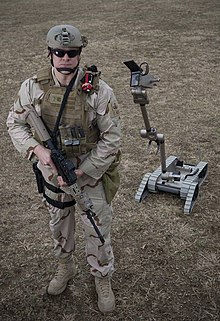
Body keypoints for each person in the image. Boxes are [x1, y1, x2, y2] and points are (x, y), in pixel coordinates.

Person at [7, 24, 121, 313]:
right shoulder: (32, 87)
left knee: (96, 227)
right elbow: (15, 124)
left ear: (80, 53)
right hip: (53, 172)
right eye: (59, 52)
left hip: (89, 171)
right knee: (60, 223)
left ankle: (101, 277)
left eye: (72, 53)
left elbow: (112, 137)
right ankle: (64, 267)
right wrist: (38, 149)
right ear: (50, 54)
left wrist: (86, 170)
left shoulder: (98, 91)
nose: (65, 58)